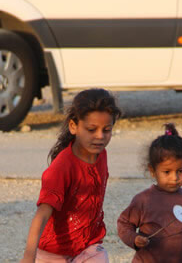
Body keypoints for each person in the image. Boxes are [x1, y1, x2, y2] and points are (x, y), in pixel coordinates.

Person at [20, 88, 122, 263]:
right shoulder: (62, 167)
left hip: (88, 247)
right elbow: (42, 214)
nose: (100, 136)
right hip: (53, 252)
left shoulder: (101, 154)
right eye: (91, 129)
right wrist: (29, 257)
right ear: (73, 126)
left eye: (107, 129)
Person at [117, 123, 182, 263]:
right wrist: (134, 239)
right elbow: (124, 224)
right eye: (167, 172)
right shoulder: (144, 200)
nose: (175, 178)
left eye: (180, 171)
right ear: (152, 170)